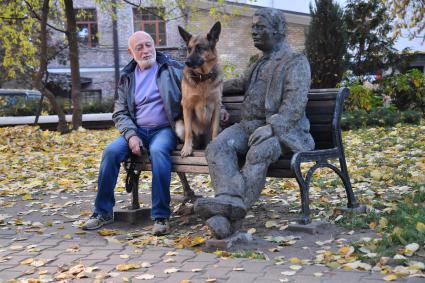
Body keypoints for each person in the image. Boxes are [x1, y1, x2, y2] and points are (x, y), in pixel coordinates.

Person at [194, 8, 315, 239]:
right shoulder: (259, 62)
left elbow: (294, 103)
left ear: (279, 31)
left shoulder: (295, 62)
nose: (254, 32)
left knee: (258, 152)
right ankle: (228, 205)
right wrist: (211, 85)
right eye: (253, 28)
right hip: (248, 126)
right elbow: (240, 83)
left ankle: (226, 218)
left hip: (282, 131)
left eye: (260, 27)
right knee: (217, 146)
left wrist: (271, 127)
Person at [82, 31, 184, 235]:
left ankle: (161, 216)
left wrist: (220, 107)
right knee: (110, 152)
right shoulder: (127, 77)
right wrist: (131, 135)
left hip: (164, 129)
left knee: (158, 152)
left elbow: (199, 87)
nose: (146, 50)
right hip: (136, 130)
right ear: (131, 52)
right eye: (140, 47)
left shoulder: (172, 69)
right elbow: (119, 111)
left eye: (148, 45)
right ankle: (102, 212)